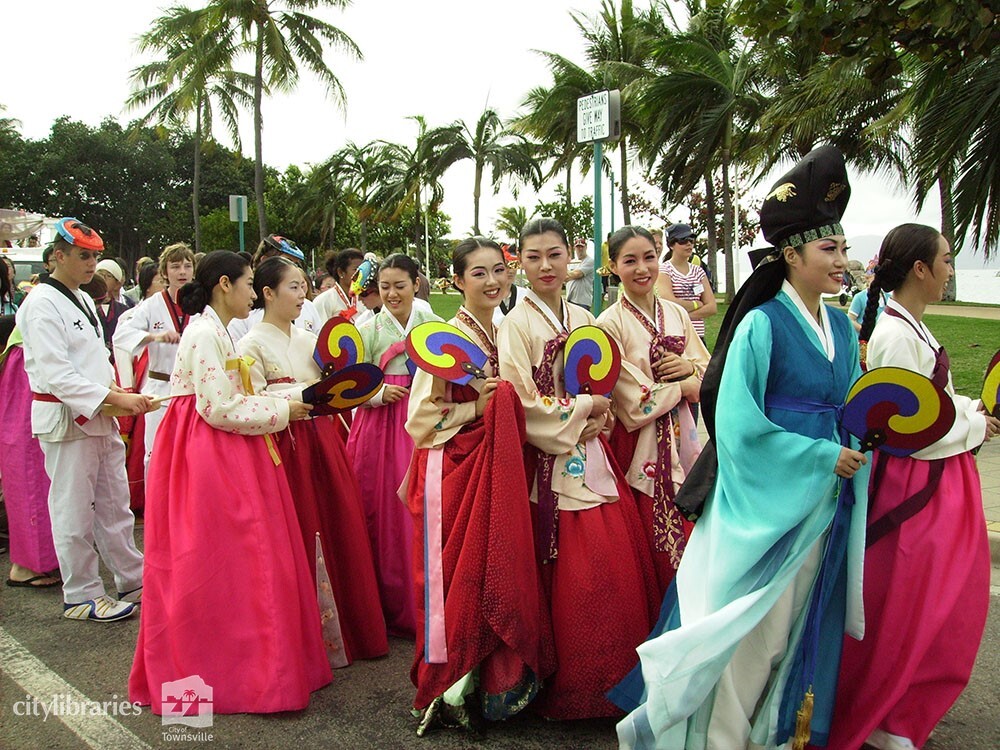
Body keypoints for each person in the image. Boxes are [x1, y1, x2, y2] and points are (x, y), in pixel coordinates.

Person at [613, 146, 870, 749]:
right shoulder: (761, 324)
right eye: (828, 249)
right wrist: (817, 456)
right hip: (765, 497)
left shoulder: (839, 327)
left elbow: (853, 404)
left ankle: (772, 732)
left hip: (826, 495)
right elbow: (737, 423)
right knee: (753, 629)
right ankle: (721, 737)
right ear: (792, 254)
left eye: (842, 247)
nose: (841, 260)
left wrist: (855, 448)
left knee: (798, 622)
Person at [129, 250, 331, 714]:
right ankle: (247, 673)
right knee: (236, 561)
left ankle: (254, 669)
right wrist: (284, 410)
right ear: (225, 285)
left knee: (238, 563)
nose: (250, 293)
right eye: (245, 284)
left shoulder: (213, 330)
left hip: (218, 445)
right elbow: (218, 407)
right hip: (209, 450)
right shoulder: (205, 333)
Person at [821, 224, 999, 750]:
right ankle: (884, 715)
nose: (950, 269)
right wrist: (972, 425)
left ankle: (899, 712)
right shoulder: (897, 335)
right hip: (919, 487)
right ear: (920, 269)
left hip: (941, 478)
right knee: (913, 604)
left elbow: (934, 398)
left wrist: (970, 410)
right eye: (945, 259)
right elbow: (909, 432)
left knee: (941, 603)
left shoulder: (908, 325)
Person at [496, 217, 659, 720]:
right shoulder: (515, 325)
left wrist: (600, 410)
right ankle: (572, 681)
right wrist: (581, 412)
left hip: (591, 453)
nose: (546, 266)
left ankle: (617, 680)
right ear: (518, 264)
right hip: (550, 462)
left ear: (571, 258)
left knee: (611, 564)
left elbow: (605, 381)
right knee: (574, 570)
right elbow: (519, 402)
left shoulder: (583, 316)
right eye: (533, 257)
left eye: (555, 255)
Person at [405, 238, 555, 735]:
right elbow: (421, 419)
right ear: (456, 281)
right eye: (478, 274)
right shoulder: (446, 337)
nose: (493, 282)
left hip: (499, 466)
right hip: (454, 467)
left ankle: (494, 684)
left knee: (498, 564)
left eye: (499, 271)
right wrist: (478, 406)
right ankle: (450, 687)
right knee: (458, 575)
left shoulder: (504, 331)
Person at [239, 256, 388, 665]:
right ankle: (304, 640)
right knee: (299, 529)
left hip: (322, 439)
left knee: (336, 523)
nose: (303, 295)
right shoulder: (250, 345)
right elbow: (247, 400)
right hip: (284, 442)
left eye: (304, 286)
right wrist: (295, 398)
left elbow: (336, 385)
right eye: (293, 287)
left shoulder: (308, 340)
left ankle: (348, 630)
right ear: (267, 293)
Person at [16, 218, 152, 621]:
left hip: (100, 412)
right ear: (58, 256)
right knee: (74, 509)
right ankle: (81, 593)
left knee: (115, 504)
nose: (92, 263)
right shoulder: (40, 304)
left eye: (94, 256)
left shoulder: (83, 299)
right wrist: (110, 397)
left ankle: (132, 576)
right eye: (82, 255)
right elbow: (56, 375)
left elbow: (95, 359)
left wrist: (116, 392)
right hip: (65, 417)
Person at [597, 226, 710, 597]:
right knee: (652, 535)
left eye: (648, 257)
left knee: (692, 527)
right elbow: (630, 397)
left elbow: (705, 366)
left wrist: (690, 370)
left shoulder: (676, 312)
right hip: (640, 445)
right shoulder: (608, 324)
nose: (642, 268)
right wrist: (684, 385)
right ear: (613, 266)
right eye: (629, 261)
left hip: (685, 436)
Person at [345, 253, 441, 639]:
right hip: (380, 426)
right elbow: (349, 384)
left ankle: (425, 600)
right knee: (381, 509)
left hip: (420, 420)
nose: (392, 294)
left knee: (424, 507)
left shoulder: (433, 324)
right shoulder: (366, 329)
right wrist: (375, 393)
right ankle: (386, 603)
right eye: (384, 287)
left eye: (400, 285)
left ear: (416, 283)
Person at [112, 242, 195, 476]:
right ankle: (156, 510)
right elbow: (121, 335)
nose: (182, 272)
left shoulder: (202, 305)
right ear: (165, 272)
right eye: (175, 266)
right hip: (160, 389)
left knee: (192, 456)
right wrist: (154, 337)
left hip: (193, 390)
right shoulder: (151, 305)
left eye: (187, 266)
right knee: (155, 455)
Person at [1, 327, 60, 589]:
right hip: (31, 381)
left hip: (36, 379)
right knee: (31, 473)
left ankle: (41, 558)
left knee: (39, 474)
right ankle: (28, 564)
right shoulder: (42, 304)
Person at [227, 234, 323, 341]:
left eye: (296, 264)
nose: (292, 268)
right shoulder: (244, 311)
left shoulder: (308, 308)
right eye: (287, 261)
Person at [654, 223, 717, 344]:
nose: (689, 244)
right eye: (683, 240)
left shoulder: (698, 271)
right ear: (672, 245)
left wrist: (683, 315)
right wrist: (696, 304)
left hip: (698, 337)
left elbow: (712, 307)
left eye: (691, 240)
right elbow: (670, 304)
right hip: (676, 337)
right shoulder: (665, 270)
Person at [313, 248, 364, 323]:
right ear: (341, 272)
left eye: (363, 270)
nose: (361, 274)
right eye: (356, 270)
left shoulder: (364, 299)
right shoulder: (323, 301)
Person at [565, 236, 595, 311]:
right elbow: (565, 278)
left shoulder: (590, 261)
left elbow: (578, 274)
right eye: (578, 247)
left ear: (586, 247)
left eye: (582, 247)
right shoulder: (572, 262)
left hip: (582, 301)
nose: (580, 249)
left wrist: (566, 274)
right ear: (575, 248)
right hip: (570, 299)